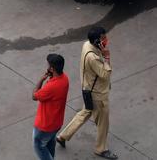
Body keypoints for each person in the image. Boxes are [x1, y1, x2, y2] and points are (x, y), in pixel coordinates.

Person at [57, 27, 117, 158]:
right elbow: (105, 74)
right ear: (96, 41)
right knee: (103, 123)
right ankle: (101, 149)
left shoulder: (86, 45)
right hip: (98, 95)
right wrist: (107, 56)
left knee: (86, 112)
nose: (106, 40)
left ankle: (63, 136)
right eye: (103, 38)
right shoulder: (92, 58)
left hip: (88, 89)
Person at [31, 53, 70, 160]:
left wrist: (41, 80)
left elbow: (34, 96)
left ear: (52, 69)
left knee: (39, 146)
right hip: (56, 123)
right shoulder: (65, 79)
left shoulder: (51, 87)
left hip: (45, 126)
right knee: (49, 144)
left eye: (48, 65)